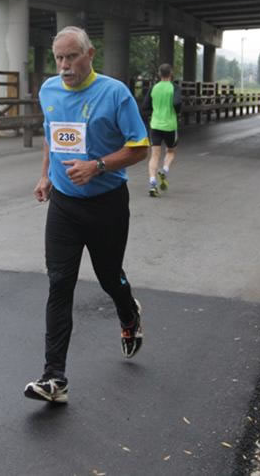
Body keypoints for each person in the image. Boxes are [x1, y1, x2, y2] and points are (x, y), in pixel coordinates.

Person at [26, 26, 150, 404]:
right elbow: (51, 135)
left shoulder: (114, 93)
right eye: (58, 58)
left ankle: (128, 314)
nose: (64, 66)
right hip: (65, 205)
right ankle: (54, 378)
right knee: (59, 283)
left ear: (90, 54)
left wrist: (98, 166)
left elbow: (140, 147)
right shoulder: (49, 90)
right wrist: (47, 175)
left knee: (109, 278)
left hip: (107, 203)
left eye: (71, 57)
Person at [145, 63, 180, 197]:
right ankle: (164, 170)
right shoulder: (174, 87)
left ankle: (152, 183)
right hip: (170, 125)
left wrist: (154, 112)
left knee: (154, 155)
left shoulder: (153, 88)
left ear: (159, 74)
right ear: (171, 73)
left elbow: (145, 106)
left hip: (155, 125)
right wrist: (177, 112)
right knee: (170, 151)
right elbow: (177, 103)